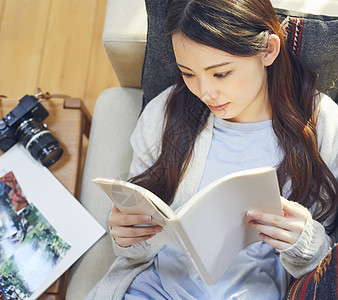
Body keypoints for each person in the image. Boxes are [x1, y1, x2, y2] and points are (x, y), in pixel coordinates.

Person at [86, 0, 338, 299]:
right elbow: (139, 238)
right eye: (188, 74)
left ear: (268, 51)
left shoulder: (322, 124)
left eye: (220, 73)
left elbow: (325, 263)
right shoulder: (165, 115)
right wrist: (129, 236)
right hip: (154, 290)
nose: (205, 92)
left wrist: (306, 243)